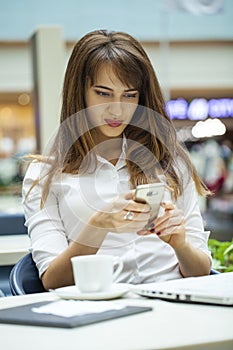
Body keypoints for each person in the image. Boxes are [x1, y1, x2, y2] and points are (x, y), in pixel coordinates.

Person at [23, 29, 212, 291]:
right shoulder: (44, 175)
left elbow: (202, 272)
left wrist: (180, 244)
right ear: (80, 92)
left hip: (173, 304)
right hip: (96, 310)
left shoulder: (170, 162)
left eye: (129, 95)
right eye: (103, 93)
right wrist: (97, 226)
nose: (117, 110)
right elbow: (53, 280)